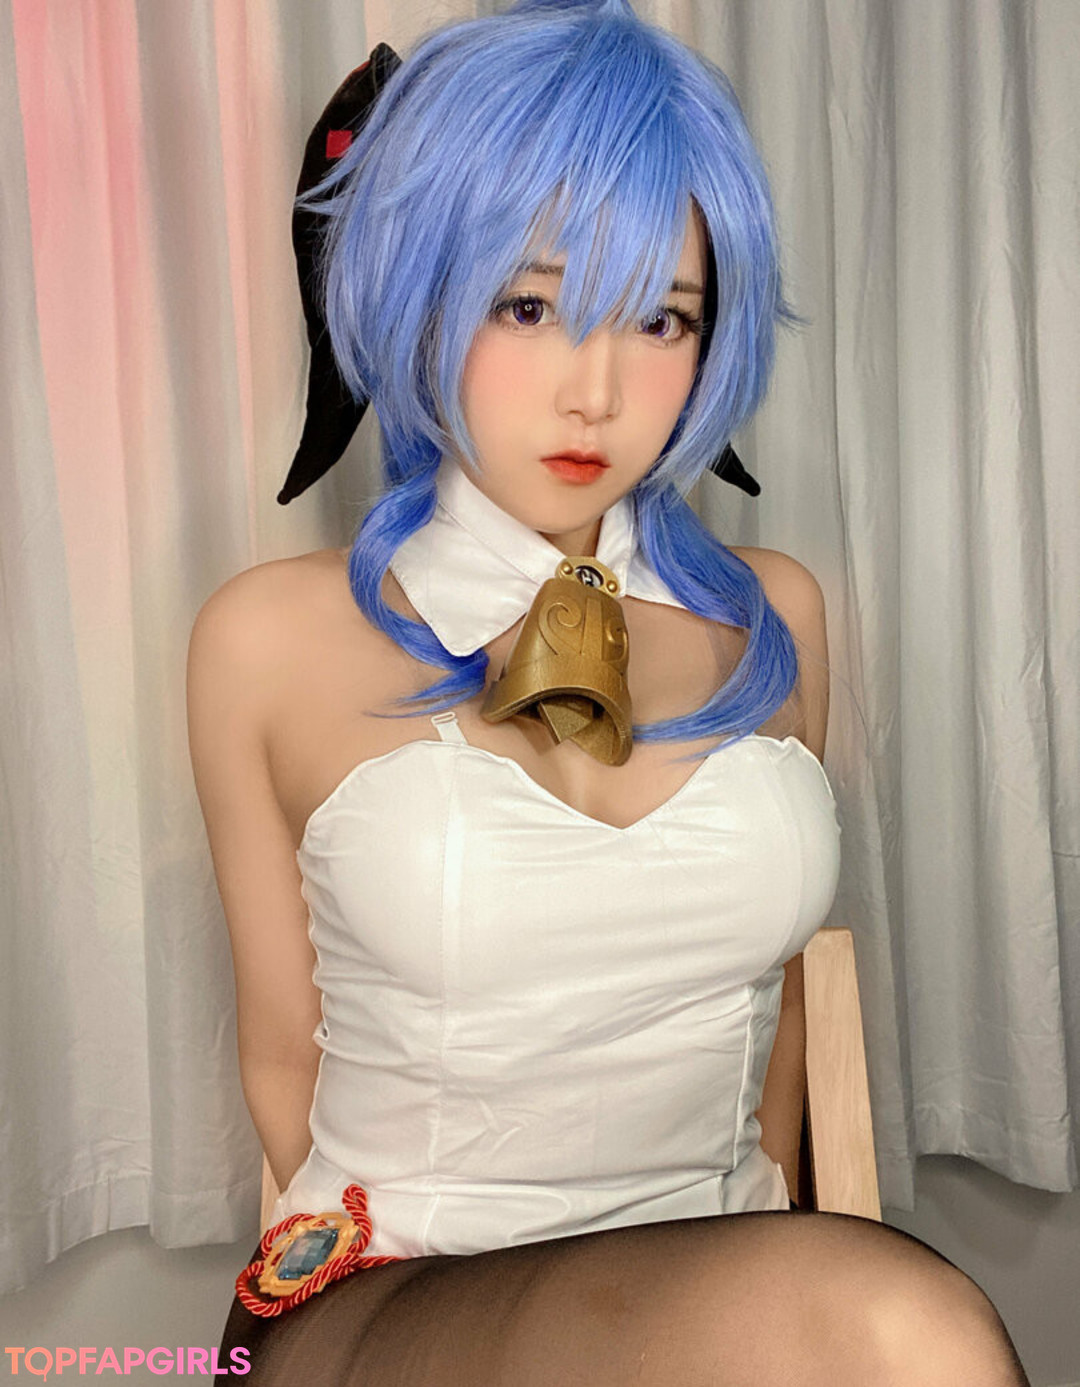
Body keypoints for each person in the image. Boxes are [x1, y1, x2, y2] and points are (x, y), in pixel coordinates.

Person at [187, 1, 1031, 1381]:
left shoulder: (773, 617)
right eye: (527, 306)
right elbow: (283, 1064)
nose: (596, 390)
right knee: (905, 1326)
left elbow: (776, 1042)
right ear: (421, 291)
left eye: (660, 318)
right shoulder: (267, 639)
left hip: (720, 1273)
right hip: (387, 1296)